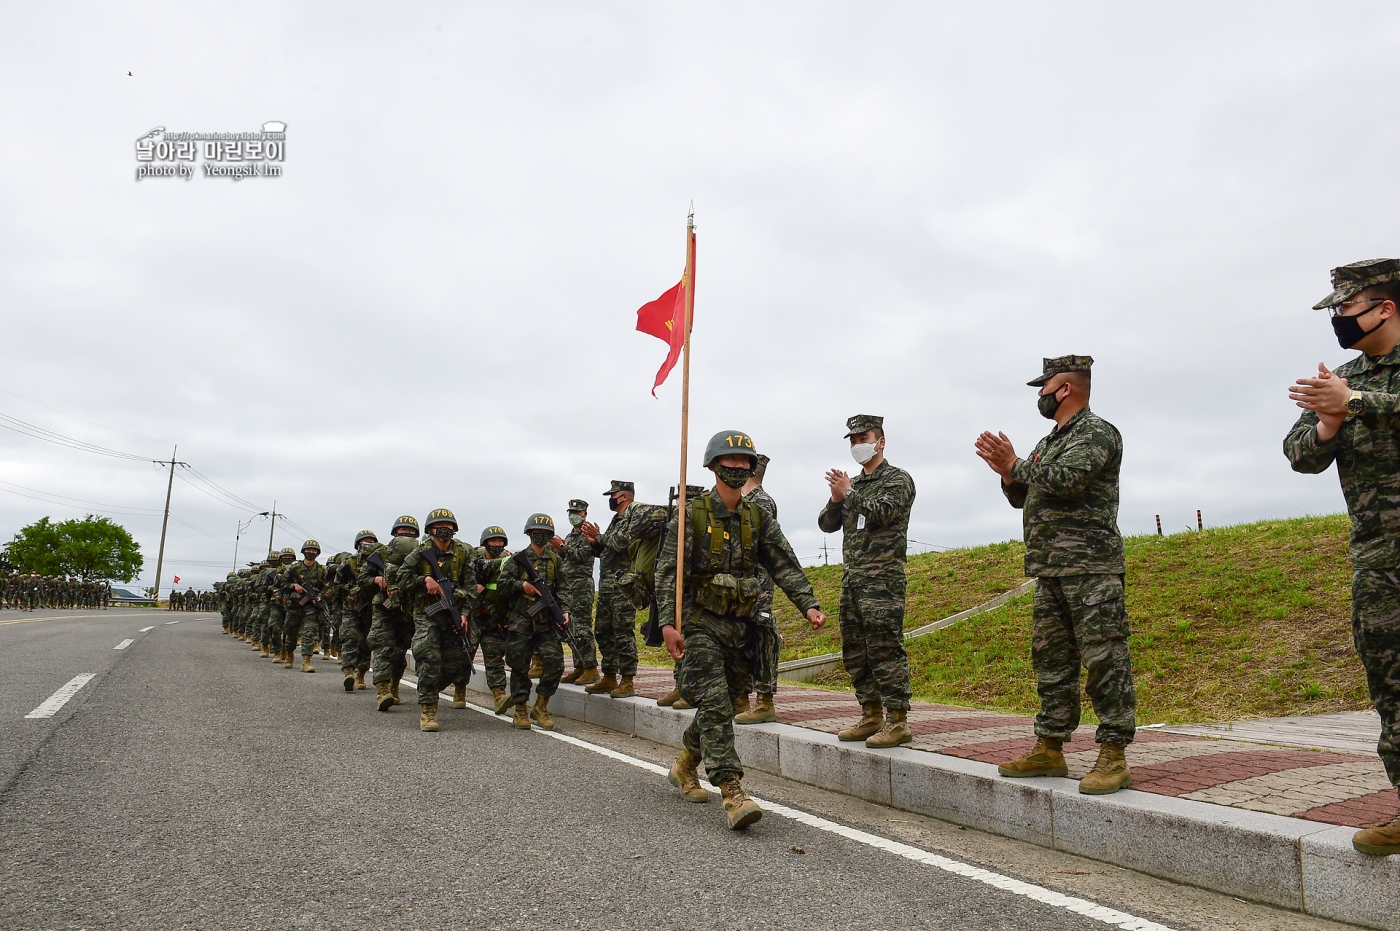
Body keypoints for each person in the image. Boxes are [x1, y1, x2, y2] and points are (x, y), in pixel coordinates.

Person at [975, 354, 1136, 795]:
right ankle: (1049, 747)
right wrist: (1008, 474)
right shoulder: (1049, 440)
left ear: (1063, 388)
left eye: (1043, 388)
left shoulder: (1098, 433)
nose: (1040, 396)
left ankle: (1114, 752)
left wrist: (1016, 465)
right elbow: (1022, 494)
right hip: (1049, 570)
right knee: (1051, 661)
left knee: (1105, 660)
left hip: (1091, 569)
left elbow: (1068, 480)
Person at [1286, 258, 1400, 854]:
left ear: (1385, 307)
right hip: (1379, 558)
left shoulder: (1359, 385)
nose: (1337, 320)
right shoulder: (1345, 378)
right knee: (1390, 684)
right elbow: (1299, 453)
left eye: (1345, 309)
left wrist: (1355, 400)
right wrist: (1330, 419)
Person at [658, 430, 825, 830]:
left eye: (743, 464)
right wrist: (668, 622)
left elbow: (782, 561)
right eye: (728, 463)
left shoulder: (757, 516)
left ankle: (685, 765)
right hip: (699, 622)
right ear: (714, 467)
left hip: (741, 625)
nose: (736, 469)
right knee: (715, 701)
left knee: (730, 703)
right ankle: (733, 791)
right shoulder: (690, 515)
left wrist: (808, 603)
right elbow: (667, 571)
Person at [818, 414, 918, 749]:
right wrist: (837, 497)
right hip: (853, 580)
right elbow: (826, 525)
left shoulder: (898, 480)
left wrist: (849, 493)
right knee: (856, 650)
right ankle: (871, 713)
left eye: (864, 438)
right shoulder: (854, 487)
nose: (857, 445)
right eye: (853, 440)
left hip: (883, 580)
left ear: (881, 442)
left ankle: (898, 720)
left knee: (885, 648)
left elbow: (883, 512)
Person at [581, 481, 666, 699]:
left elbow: (621, 543)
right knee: (603, 631)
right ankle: (609, 675)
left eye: (614, 495)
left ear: (624, 497)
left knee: (622, 633)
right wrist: (595, 542)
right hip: (607, 588)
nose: (611, 499)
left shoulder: (634, 517)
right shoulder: (616, 519)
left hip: (624, 587)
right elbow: (607, 549)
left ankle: (627, 680)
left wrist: (600, 537)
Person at [397, 509, 476, 732]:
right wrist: (425, 580)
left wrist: (464, 613)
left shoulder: (462, 553)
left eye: (449, 525)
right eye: (440, 525)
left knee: (455, 663)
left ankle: (428, 688)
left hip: (453, 615)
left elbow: (471, 588)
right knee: (429, 657)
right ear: (430, 530)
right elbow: (400, 578)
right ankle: (428, 709)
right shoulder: (420, 553)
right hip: (427, 614)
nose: (445, 529)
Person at [497, 513, 568, 730]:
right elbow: (502, 586)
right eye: (537, 532)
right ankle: (520, 709)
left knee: (555, 664)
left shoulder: (555, 560)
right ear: (529, 533)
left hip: (546, 622)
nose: (541, 536)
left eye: (546, 533)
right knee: (519, 665)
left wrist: (564, 611)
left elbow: (564, 589)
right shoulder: (517, 560)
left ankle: (541, 706)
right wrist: (522, 586)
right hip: (522, 621)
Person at [735, 454, 787, 725]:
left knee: (762, 635)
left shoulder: (761, 502)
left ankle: (764, 701)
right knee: (744, 636)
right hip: (743, 581)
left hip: (759, 583)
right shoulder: (741, 501)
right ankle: (742, 696)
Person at [362, 515, 421, 711]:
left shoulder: (422, 553)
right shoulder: (379, 553)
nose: (406, 534)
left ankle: (395, 684)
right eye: (402, 531)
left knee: (399, 652)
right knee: (382, 647)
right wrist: (377, 580)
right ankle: (382, 689)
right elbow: (362, 577)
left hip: (407, 610)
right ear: (395, 533)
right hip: (384, 608)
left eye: (410, 532)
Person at [556, 499, 601, 685]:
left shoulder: (586, 535)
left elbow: (583, 555)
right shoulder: (571, 535)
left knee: (582, 627)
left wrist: (561, 546)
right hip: (568, 587)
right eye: (570, 512)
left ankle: (590, 667)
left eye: (577, 512)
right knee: (572, 628)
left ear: (585, 514)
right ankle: (579, 666)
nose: (572, 515)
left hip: (581, 586)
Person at [471, 526, 514, 714]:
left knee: (495, 658)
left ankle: (499, 695)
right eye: (492, 541)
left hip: (494, 619)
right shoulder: (475, 563)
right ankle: (460, 690)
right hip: (473, 617)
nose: (497, 545)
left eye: (500, 541)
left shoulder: (509, 565)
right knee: (463, 657)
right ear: (485, 543)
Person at [285, 541, 328, 673]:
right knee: (290, 633)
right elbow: (281, 584)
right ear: (303, 551)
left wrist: (319, 597)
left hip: (310, 606)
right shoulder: (294, 569)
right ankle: (289, 654)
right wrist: (294, 586)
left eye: (314, 550)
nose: (311, 552)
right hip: (294, 606)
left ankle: (306, 661)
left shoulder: (321, 570)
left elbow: (326, 587)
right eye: (309, 550)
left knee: (309, 632)